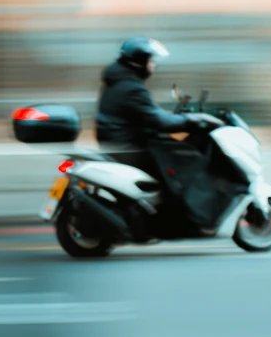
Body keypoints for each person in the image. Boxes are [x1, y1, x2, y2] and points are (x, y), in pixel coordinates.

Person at [94, 37, 225, 237]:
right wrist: (194, 119)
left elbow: (147, 114)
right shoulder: (131, 87)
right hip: (130, 146)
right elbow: (161, 122)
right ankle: (182, 222)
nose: (153, 65)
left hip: (120, 141)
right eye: (150, 60)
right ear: (139, 62)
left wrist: (180, 117)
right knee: (185, 167)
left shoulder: (119, 80)